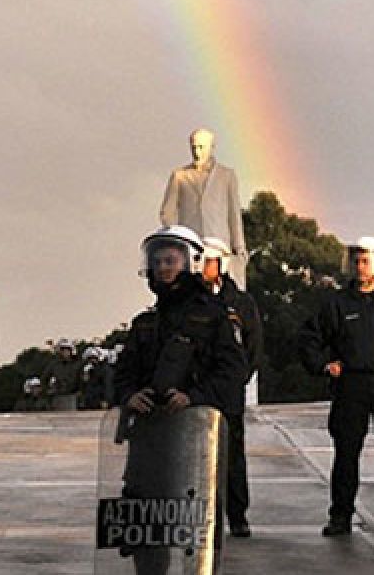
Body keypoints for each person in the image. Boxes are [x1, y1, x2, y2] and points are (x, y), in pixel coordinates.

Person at [113, 226, 246, 570]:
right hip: (149, 441)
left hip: (196, 440)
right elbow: (122, 374)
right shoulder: (145, 323)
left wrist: (194, 398)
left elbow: (232, 374)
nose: (162, 266)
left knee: (197, 526)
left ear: (191, 262)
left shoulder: (215, 317)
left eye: (170, 259)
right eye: (157, 260)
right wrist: (130, 395)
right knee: (144, 524)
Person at [299, 236, 374, 537]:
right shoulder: (336, 303)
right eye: (355, 259)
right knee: (346, 453)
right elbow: (310, 337)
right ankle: (340, 516)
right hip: (351, 385)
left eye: (365, 260)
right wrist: (322, 366)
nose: (359, 266)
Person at [200, 236, 264, 537]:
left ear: (222, 264)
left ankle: (237, 516)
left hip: (229, 393)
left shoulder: (241, 303)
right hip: (197, 391)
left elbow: (254, 347)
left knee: (232, 455)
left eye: (209, 261)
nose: (203, 266)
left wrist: (237, 378)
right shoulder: (192, 300)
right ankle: (202, 515)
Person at [160, 129, 249, 288]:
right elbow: (167, 212)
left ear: (211, 147)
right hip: (190, 248)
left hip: (219, 246)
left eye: (201, 147)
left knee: (223, 290)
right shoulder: (179, 176)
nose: (197, 152)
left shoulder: (226, 175)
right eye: (193, 147)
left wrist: (239, 246)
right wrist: (176, 240)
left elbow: (234, 214)